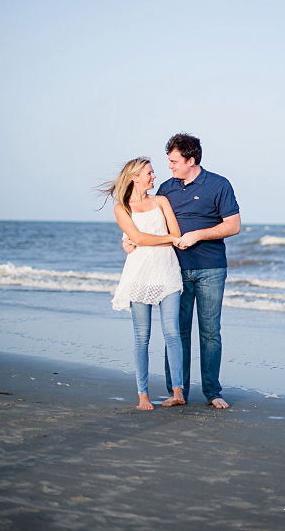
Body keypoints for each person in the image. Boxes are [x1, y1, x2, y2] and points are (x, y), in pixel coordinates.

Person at [124, 133, 240, 409]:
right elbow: (146, 219)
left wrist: (198, 235)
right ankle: (178, 392)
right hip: (173, 270)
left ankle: (212, 392)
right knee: (177, 332)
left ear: (191, 160)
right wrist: (128, 239)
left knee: (210, 332)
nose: (170, 167)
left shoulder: (219, 184)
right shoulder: (166, 188)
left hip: (211, 268)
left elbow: (233, 226)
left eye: (174, 161)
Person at [103, 158, 185, 410]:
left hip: (168, 271)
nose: (154, 176)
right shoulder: (121, 208)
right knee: (142, 336)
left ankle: (178, 391)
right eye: (149, 173)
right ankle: (143, 396)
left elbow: (177, 234)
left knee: (172, 331)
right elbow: (137, 237)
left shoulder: (161, 201)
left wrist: (156, 239)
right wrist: (162, 239)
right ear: (134, 177)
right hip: (139, 274)